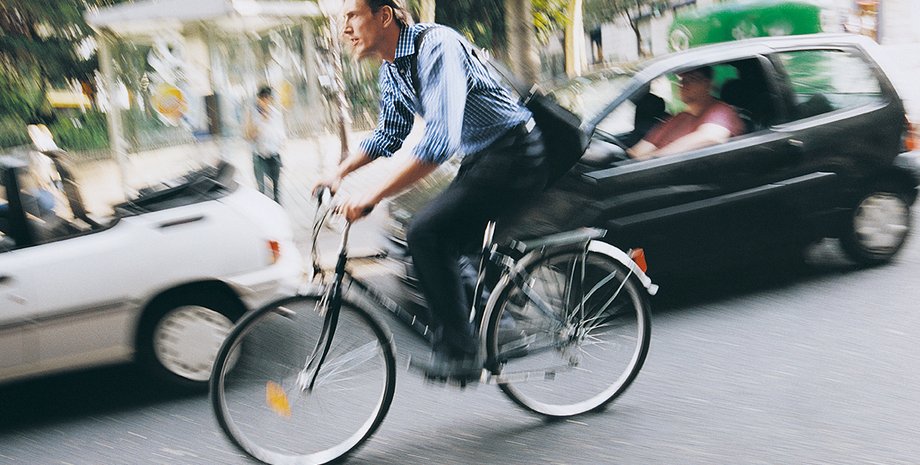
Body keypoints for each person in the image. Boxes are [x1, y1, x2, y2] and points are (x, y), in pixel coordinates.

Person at [317, 0, 548, 381]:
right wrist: (338, 173)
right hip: (483, 156)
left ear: (384, 16)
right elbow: (390, 133)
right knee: (435, 236)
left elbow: (439, 143)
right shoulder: (392, 68)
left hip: (515, 152)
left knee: (426, 232)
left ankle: (462, 353)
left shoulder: (436, 46)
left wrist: (371, 196)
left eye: (352, 16)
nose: (345, 29)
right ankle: (499, 324)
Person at [627, 66, 744, 160]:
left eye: (692, 79)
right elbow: (638, 151)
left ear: (708, 84)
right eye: (682, 80)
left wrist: (652, 159)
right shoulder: (678, 118)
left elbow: (710, 137)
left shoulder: (721, 111)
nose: (684, 85)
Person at [244, 86, 285, 203]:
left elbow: (281, 135)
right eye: (262, 99)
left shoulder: (276, 114)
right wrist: (260, 122)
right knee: (261, 190)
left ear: (271, 99)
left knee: (276, 190)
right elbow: (248, 136)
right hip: (259, 156)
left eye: (267, 99)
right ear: (258, 99)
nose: (265, 102)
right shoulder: (252, 115)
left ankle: (278, 212)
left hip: (274, 154)